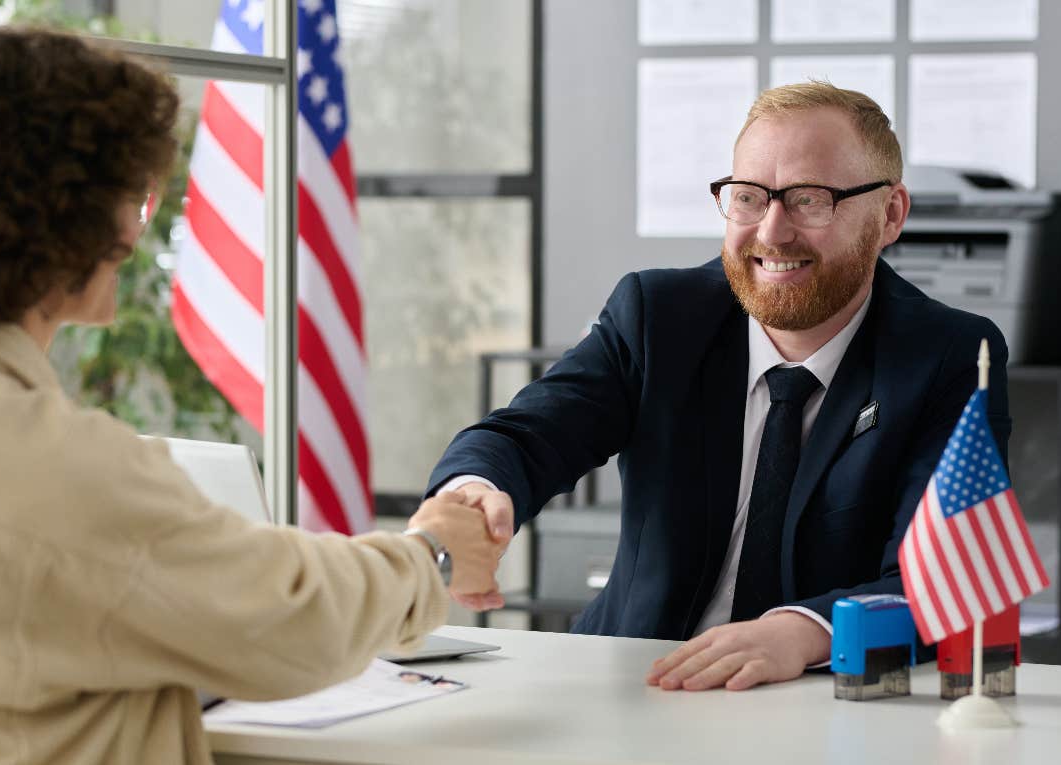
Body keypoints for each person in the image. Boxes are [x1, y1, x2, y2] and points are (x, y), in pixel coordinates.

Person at [0, 26, 502, 765]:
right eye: (126, 191)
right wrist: (433, 556)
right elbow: (294, 620)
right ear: (58, 219)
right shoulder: (51, 466)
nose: (138, 222)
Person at [427, 82, 1011, 692]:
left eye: (810, 200)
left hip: (817, 700)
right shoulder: (658, 316)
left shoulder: (949, 357)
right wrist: (477, 492)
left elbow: (943, 577)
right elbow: (528, 436)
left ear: (890, 214)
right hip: (633, 685)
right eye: (749, 198)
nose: (772, 232)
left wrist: (805, 630)